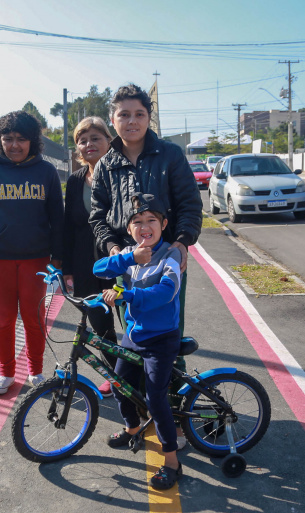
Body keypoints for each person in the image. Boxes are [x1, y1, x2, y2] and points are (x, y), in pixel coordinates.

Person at [89, 83, 202, 359]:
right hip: (126, 263)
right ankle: (139, 399)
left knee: (166, 333)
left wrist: (181, 243)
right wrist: (114, 248)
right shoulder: (105, 164)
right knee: (133, 333)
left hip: (166, 258)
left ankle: (171, 397)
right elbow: (97, 216)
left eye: (139, 114)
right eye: (124, 114)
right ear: (113, 120)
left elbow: (190, 204)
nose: (132, 121)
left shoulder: (170, 155)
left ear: (148, 118)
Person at [0, 110, 64, 395]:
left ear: (33, 141)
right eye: (8, 139)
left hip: (37, 259)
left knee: (33, 317)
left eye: (22, 139)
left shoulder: (45, 172)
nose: (15, 145)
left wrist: (57, 255)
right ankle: (6, 373)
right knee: (2, 318)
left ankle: (35, 370)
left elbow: (57, 217)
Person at [94, 192, 183, 490]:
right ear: (129, 229)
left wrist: (128, 295)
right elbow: (98, 269)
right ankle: (133, 428)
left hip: (161, 339)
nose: (145, 227)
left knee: (156, 399)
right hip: (134, 336)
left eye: (151, 221)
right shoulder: (131, 255)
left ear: (163, 223)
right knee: (119, 385)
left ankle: (172, 462)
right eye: (137, 222)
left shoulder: (171, 255)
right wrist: (129, 257)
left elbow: (165, 293)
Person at [62, 117, 119, 395]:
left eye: (96, 138)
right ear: (77, 149)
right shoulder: (74, 181)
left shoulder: (122, 173)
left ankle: (142, 378)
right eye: (82, 140)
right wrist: (66, 268)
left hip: (120, 262)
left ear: (109, 141)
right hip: (85, 264)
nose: (89, 144)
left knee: (134, 325)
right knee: (100, 325)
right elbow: (68, 226)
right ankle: (117, 373)